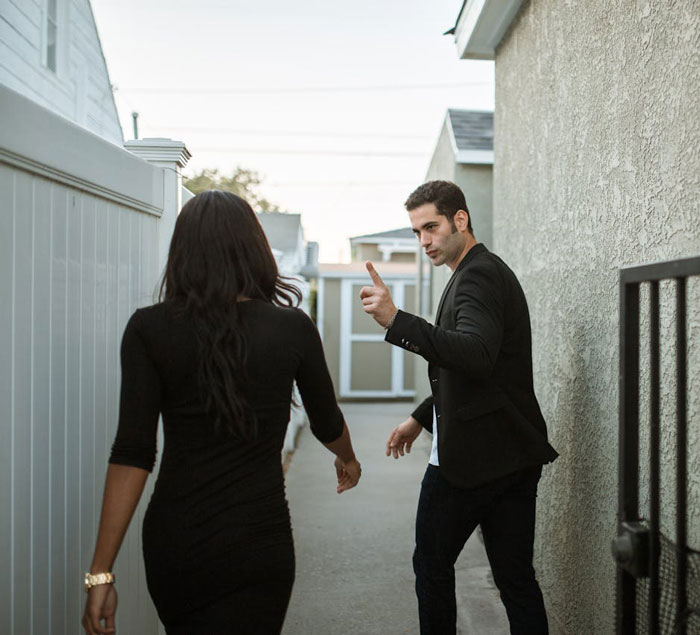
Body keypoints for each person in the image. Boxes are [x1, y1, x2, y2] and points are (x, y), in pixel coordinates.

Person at [82, 190, 361, 635]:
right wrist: (348, 458)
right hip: (259, 543)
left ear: (182, 252)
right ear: (253, 249)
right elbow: (327, 422)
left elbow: (133, 453)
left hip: (178, 544)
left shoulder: (148, 329)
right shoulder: (291, 327)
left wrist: (101, 573)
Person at [360, 180, 558, 635]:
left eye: (431, 227)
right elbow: (479, 374)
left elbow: (474, 353)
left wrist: (396, 321)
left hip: (472, 460)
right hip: (511, 453)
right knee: (515, 578)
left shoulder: (478, 275)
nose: (424, 240)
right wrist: (421, 415)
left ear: (460, 220)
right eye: (416, 231)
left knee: (431, 566)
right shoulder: (475, 272)